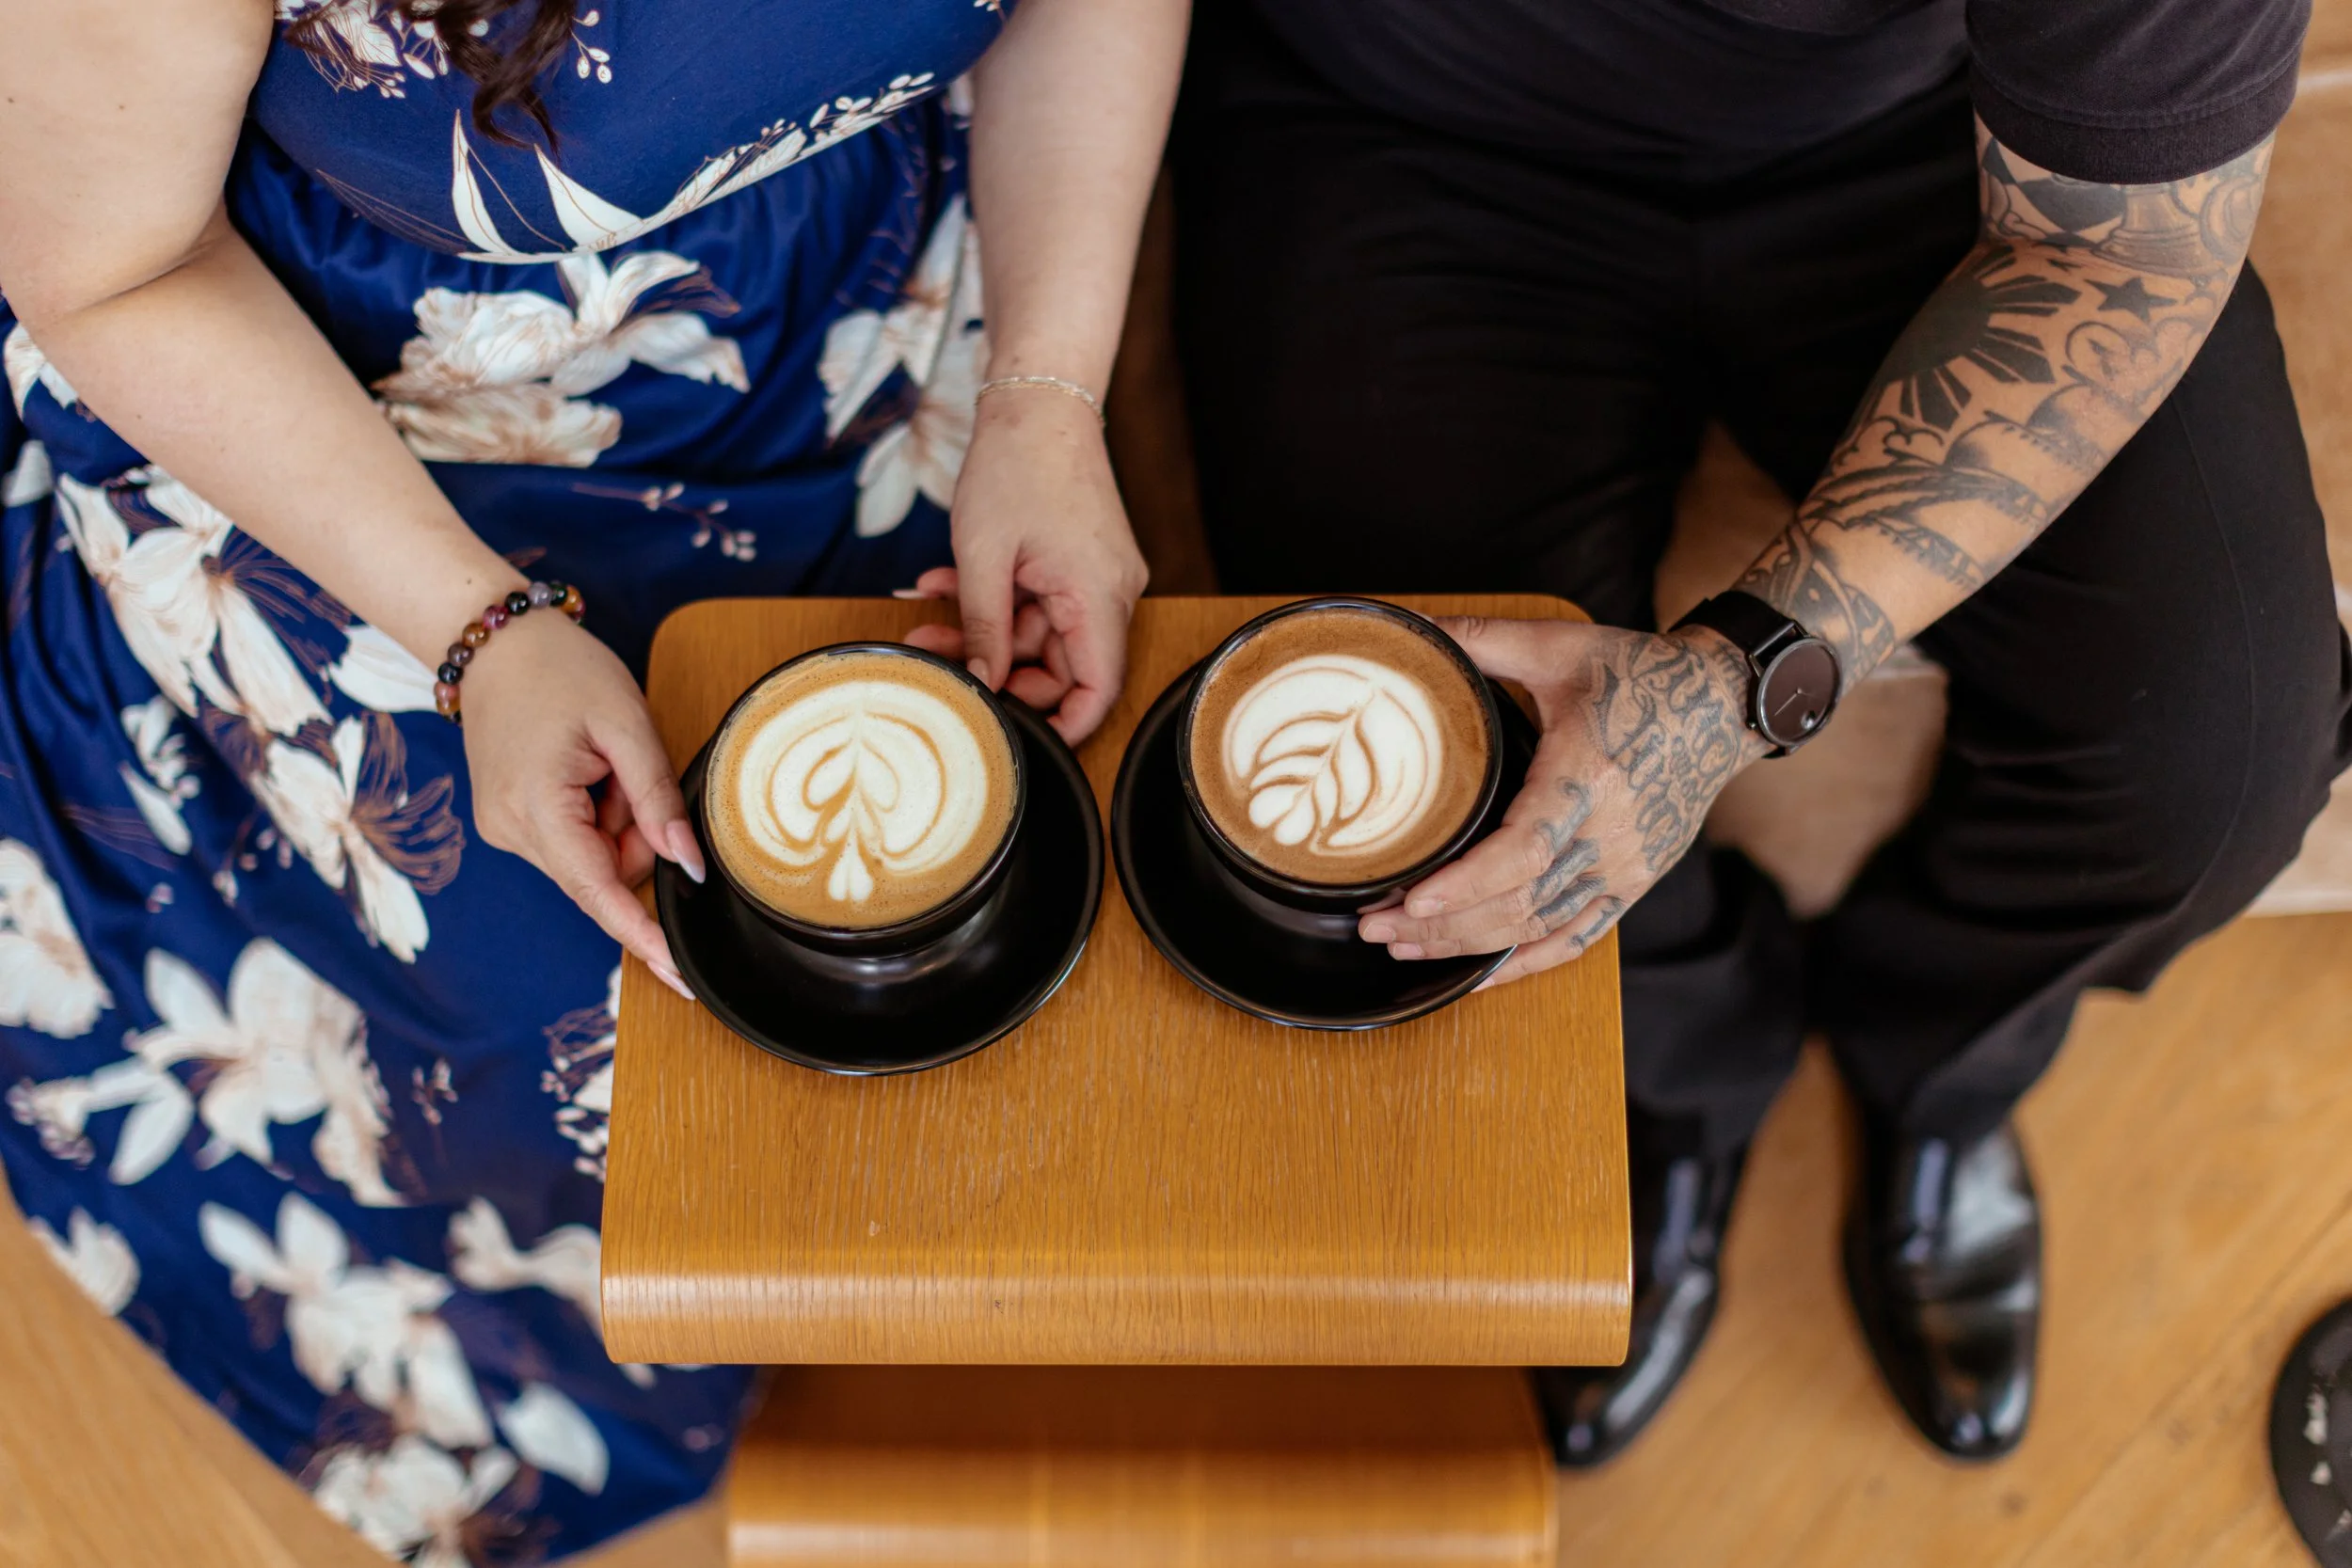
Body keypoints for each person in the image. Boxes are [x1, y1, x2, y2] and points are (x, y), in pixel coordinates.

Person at [0, 0, 1178, 1555]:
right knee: (607, 1027)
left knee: (950, 930)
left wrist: (1048, 392)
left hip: (862, 294)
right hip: (359, 411)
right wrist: (478, 634)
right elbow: (112, 263)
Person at [1172, 0, 2352, 1464]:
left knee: (2219, 759)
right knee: (1425, 777)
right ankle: (1681, 1075)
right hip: (1391, 120)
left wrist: (1741, 679)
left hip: (1944, 142)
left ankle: (1937, 1065)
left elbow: (2123, 248)